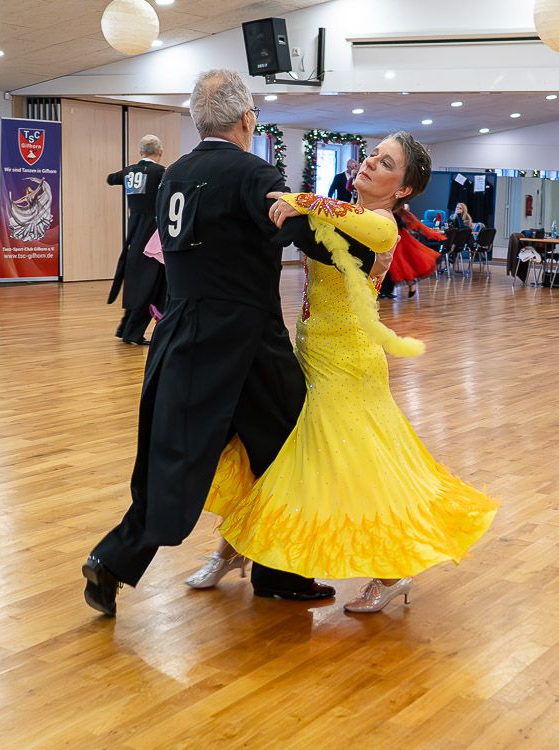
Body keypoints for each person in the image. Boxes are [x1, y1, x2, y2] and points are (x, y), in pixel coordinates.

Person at [83, 69, 391, 615]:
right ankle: (278, 573)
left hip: (181, 331)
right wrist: (364, 256)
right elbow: (301, 230)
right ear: (247, 119)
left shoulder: (175, 175)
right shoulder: (253, 172)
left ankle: (119, 561)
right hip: (249, 341)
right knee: (289, 451)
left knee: (176, 456)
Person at [189, 132, 498, 614]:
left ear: (403, 189)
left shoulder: (382, 224)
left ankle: (392, 572)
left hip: (347, 364)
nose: (370, 163)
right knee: (274, 454)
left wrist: (300, 200)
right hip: (310, 353)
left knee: (351, 470)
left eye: (386, 163)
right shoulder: (342, 212)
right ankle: (234, 550)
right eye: (373, 155)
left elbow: (350, 222)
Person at [107, 134, 167, 346]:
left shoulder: (129, 171)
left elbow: (110, 178)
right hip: (152, 235)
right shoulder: (160, 172)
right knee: (150, 283)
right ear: (160, 151)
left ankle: (125, 328)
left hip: (133, 232)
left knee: (136, 280)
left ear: (141, 152)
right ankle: (133, 332)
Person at [389, 206, 445, 298]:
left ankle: (410, 284)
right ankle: (408, 285)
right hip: (393, 238)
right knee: (399, 264)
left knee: (401, 263)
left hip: (399, 239)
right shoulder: (392, 209)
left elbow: (414, 224)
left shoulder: (397, 211)